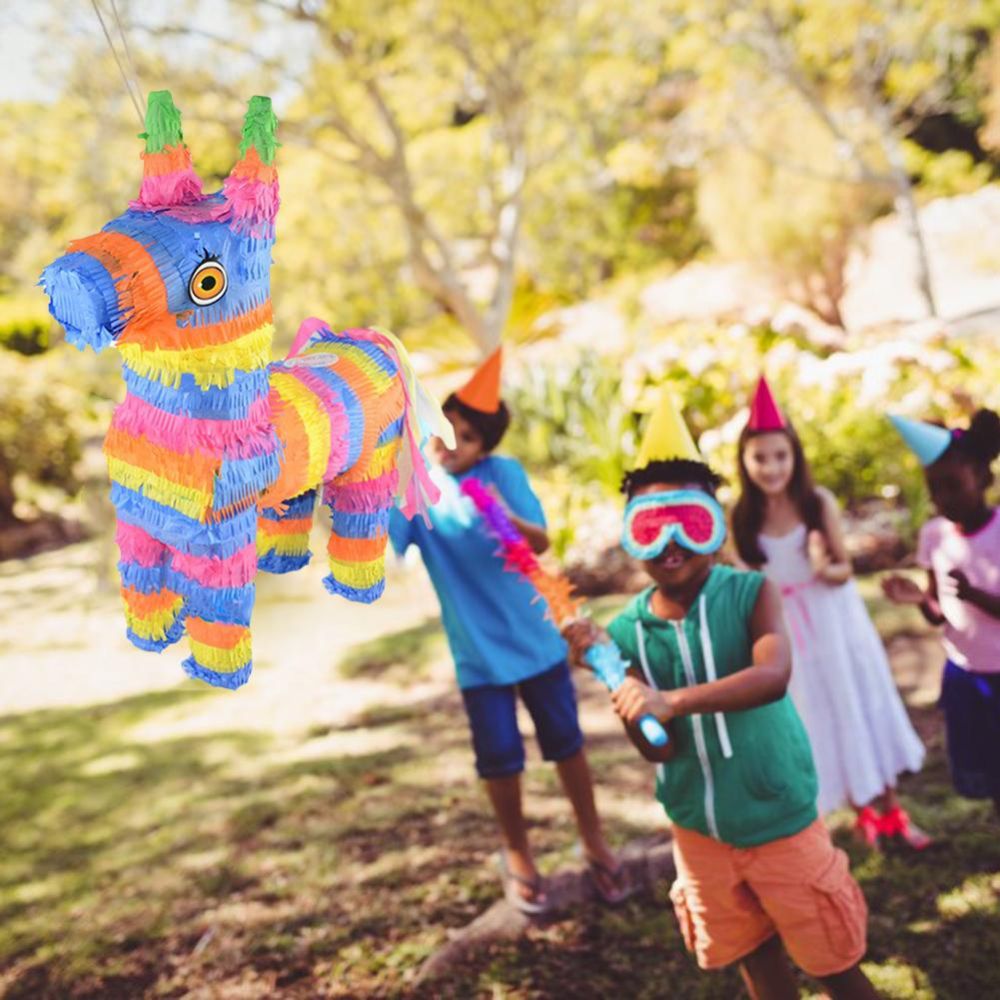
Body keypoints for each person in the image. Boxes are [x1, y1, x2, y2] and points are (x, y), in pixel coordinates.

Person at [565, 389, 877, 999]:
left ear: (715, 525)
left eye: (691, 520)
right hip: (698, 832)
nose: (671, 541)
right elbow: (656, 747)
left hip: (779, 820)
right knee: (755, 961)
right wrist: (619, 683)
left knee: (832, 963)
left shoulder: (751, 592)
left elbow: (773, 675)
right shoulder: (627, 631)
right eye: (651, 526)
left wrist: (671, 701)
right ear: (631, 536)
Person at [387, 346, 626, 913]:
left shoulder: (505, 474)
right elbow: (388, 555)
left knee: (566, 744)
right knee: (498, 757)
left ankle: (593, 840)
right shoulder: (415, 488)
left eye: (468, 438)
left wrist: (501, 513)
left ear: (486, 446)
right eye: (448, 430)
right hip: (479, 654)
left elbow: (538, 541)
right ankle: (516, 852)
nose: (452, 443)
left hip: (536, 638)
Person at [730, 377, 927, 848]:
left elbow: (842, 569)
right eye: (760, 457)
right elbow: (748, 583)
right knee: (818, 711)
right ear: (744, 461)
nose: (771, 467)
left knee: (856, 702)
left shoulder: (817, 504)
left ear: (795, 456)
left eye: (780, 455)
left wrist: (824, 564)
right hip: (788, 631)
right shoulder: (742, 517)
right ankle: (862, 809)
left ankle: (892, 807)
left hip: (834, 623)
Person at [883, 409, 1000, 818]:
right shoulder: (934, 535)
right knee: (986, 763)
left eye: (953, 486)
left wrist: (975, 594)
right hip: (964, 673)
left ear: (983, 479)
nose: (943, 499)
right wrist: (918, 599)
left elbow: (970, 600)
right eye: (935, 489)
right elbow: (939, 614)